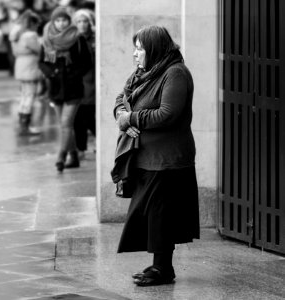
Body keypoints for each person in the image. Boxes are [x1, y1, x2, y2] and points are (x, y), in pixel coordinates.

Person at [114, 25, 200, 286]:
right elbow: (122, 97)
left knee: (161, 214)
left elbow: (168, 113)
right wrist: (121, 114)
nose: (135, 54)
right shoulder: (144, 72)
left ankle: (162, 269)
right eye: (135, 47)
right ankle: (160, 266)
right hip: (146, 156)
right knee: (152, 213)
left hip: (168, 158)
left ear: (154, 49)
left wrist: (132, 118)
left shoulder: (175, 73)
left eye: (140, 48)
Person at [39, 6, 91, 172]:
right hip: (55, 88)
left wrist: (74, 74)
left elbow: (87, 62)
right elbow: (42, 62)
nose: (61, 24)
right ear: (53, 22)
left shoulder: (77, 39)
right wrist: (52, 73)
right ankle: (74, 155)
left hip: (73, 88)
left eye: (64, 20)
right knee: (63, 124)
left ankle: (61, 156)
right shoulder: (47, 39)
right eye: (58, 20)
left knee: (66, 124)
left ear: (69, 21)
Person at [10, 9, 47, 135]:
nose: (38, 27)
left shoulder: (16, 34)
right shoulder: (30, 35)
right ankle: (26, 124)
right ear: (32, 23)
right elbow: (39, 50)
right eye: (37, 24)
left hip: (20, 65)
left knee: (24, 94)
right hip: (30, 66)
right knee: (30, 95)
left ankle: (22, 122)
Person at [72, 8, 95, 160]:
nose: (82, 24)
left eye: (85, 21)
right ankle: (81, 147)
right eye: (79, 21)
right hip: (80, 80)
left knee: (90, 114)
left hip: (95, 79)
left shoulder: (96, 38)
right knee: (80, 115)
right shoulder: (73, 39)